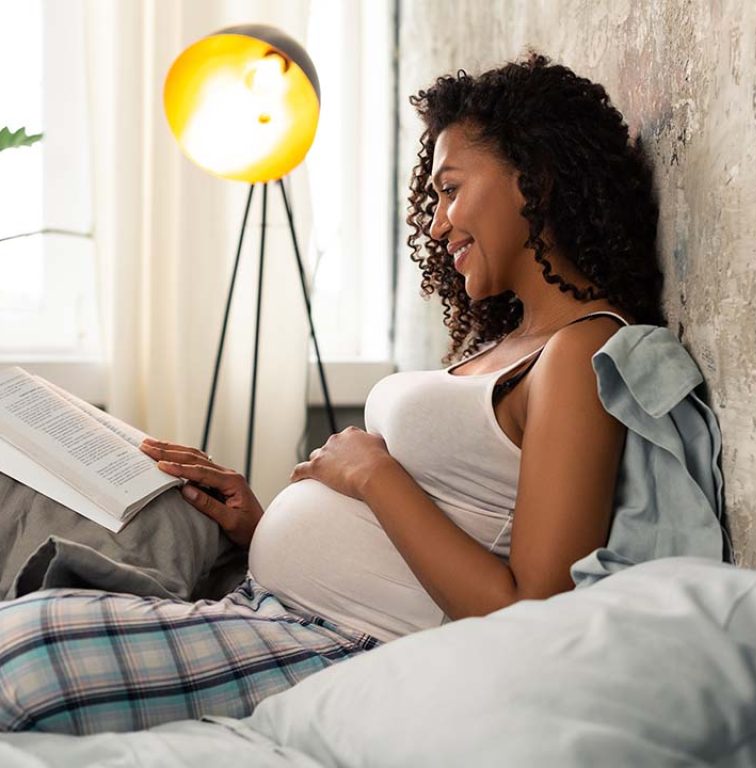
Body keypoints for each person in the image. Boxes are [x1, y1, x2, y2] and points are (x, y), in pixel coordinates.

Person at [0, 52, 702, 735]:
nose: (435, 224)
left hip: (330, 641)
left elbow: (533, 606)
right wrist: (257, 521)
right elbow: (424, 528)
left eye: (451, 189)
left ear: (534, 179)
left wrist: (372, 474)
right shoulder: (502, 347)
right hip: (255, 594)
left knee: (22, 652)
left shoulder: (579, 352)